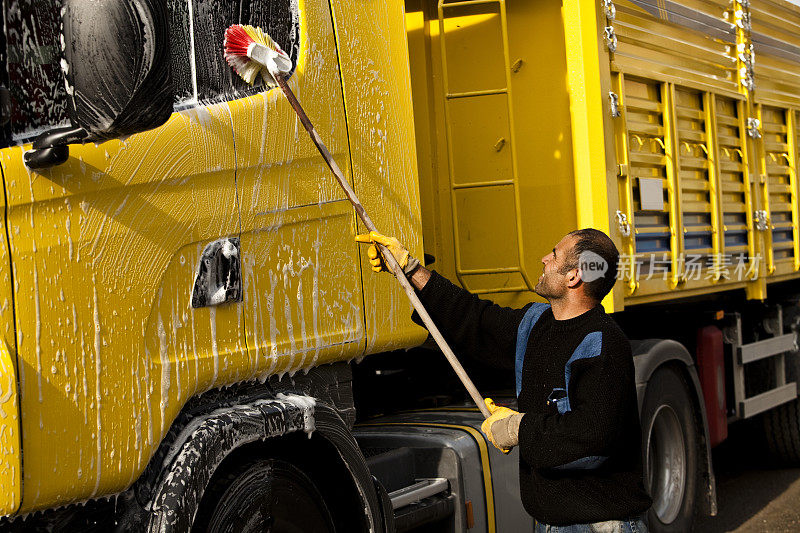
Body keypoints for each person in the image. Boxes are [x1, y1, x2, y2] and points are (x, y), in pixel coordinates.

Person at [356, 228, 652, 532]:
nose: (544, 259)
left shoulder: (602, 343)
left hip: (598, 526)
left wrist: (516, 427)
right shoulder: (536, 324)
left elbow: (592, 438)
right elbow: (472, 317)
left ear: (574, 276)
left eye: (554, 254)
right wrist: (410, 269)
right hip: (551, 523)